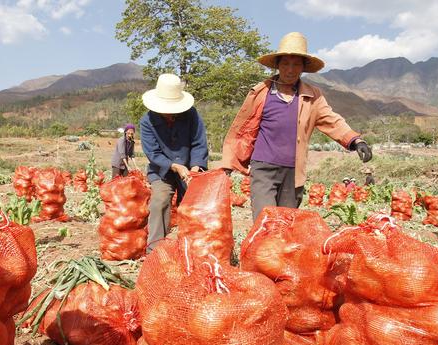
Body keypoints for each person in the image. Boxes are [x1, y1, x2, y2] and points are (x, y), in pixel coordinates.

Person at [221, 32, 373, 220]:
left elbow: (332, 120)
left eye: (296, 64)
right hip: (263, 168)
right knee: (264, 221)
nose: (290, 70)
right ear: (277, 65)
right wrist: (228, 163)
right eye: (285, 63)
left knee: (286, 223)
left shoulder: (312, 96)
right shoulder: (261, 92)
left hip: (293, 172)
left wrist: (355, 140)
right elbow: (241, 129)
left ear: (303, 67)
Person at [139, 73, 208, 253]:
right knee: (160, 201)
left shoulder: (191, 115)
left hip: (189, 168)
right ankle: (154, 250)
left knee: (191, 206)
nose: (169, 112)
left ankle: (192, 248)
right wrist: (174, 166)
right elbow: (153, 153)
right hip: (162, 171)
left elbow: (199, 142)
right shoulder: (147, 121)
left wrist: (195, 167)